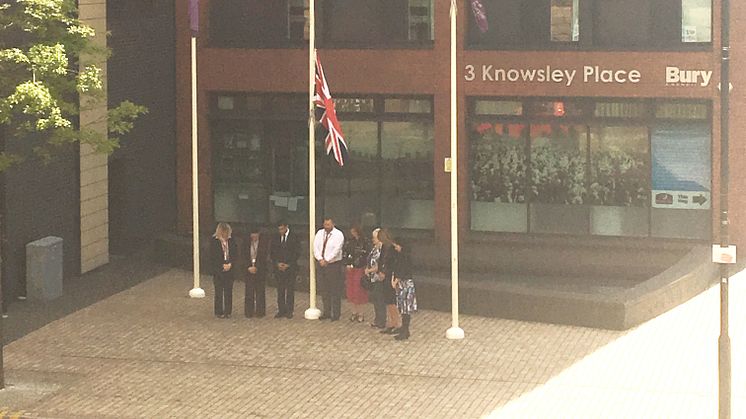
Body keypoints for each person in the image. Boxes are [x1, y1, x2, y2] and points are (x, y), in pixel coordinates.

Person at [314, 217, 345, 321]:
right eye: (325, 224)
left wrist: (327, 260)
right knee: (324, 289)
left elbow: (337, 249)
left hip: (333, 265)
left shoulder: (338, 235)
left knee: (334, 290)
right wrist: (320, 259)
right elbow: (315, 247)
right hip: (321, 264)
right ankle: (326, 312)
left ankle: (336, 314)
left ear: (333, 224)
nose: (326, 227)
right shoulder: (319, 233)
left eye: (328, 225)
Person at [270, 220, 300, 319]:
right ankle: (281, 310)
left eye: (282, 229)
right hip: (279, 267)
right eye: (279, 229)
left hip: (290, 267)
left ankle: (289, 310)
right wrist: (277, 263)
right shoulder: (275, 237)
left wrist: (288, 264)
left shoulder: (294, 236)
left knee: (290, 289)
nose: (281, 231)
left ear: (286, 227)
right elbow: (273, 251)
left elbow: (297, 252)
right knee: (280, 289)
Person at [366, 228, 393, 329]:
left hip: (379, 277)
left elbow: (381, 263)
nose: (373, 239)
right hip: (373, 277)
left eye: (374, 237)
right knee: (375, 299)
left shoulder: (383, 249)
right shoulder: (374, 248)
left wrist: (370, 270)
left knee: (380, 299)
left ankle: (381, 321)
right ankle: (377, 319)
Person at [210, 222, 237, 318]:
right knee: (218, 291)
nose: (226, 235)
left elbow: (235, 253)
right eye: (224, 232)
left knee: (228, 291)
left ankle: (228, 311)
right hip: (218, 270)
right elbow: (212, 257)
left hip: (229, 268)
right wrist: (222, 266)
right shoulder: (214, 241)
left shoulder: (231, 241)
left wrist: (230, 264)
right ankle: (219, 311)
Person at [343, 225, 368, 322]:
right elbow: (346, 252)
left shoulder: (364, 242)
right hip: (351, 269)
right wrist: (348, 263)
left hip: (359, 268)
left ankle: (361, 313)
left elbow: (365, 255)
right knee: (351, 290)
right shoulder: (350, 241)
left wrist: (357, 264)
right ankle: (354, 312)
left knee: (359, 290)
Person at [392, 240, 417, 341]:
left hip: (405, 285)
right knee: (403, 308)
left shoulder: (404, 258)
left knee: (405, 308)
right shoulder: (401, 256)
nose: (395, 248)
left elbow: (402, 271)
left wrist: (395, 281)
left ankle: (405, 330)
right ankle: (404, 329)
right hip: (403, 284)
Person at [244, 226, 270, 318]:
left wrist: (257, 267)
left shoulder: (263, 244)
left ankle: (260, 312)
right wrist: (248, 267)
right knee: (249, 291)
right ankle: (249, 312)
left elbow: (264, 258)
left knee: (260, 291)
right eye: (253, 236)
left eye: (256, 236)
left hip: (260, 270)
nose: (254, 238)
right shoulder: (246, 243)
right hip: (249, 269)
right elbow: (243, 256)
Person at [380, 229, 401, 335]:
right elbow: (381, 260)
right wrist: (380, 271)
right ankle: (391, 322)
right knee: (388, 300)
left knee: (392, 301)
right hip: (384, 276)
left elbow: (394, 264)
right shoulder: (384, 247)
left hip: (391, 276)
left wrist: (385, 272)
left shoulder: (393, 248)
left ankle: (396, 323)